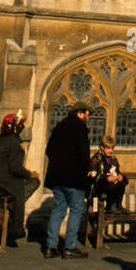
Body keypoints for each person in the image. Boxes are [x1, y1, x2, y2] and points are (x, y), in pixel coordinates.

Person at [43, 103, 91, 259]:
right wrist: (84, 170)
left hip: (57, 177)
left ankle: (51, 247)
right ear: (79, 113)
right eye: (87, 114)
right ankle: (69, 247)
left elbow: (49, 150)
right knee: (77, 210)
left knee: (58, 210)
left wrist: (59, 163)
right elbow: (83, 154)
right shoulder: (80, 128)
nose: (88, 117)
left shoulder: (59, 126)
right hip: (74, 178)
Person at [0, 111, 39, 248]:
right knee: (24, 189)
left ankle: (9, 216)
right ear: (16, 129)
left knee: (18, 192)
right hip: (5, 181)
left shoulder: (2, 139)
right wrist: (30, 174)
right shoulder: (14, 143)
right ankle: (16, 229)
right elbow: (15, 168)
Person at [87, 136, 128, 213]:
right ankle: (110, 205)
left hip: (111, 183)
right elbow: (93, 174)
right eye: (108, 148)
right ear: (102, 147)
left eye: (112, 148)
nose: (110, 151)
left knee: (122, 182)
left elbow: (117, 170)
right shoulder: (96, 158)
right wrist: (107, 178)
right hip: (99, 186)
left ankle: (118, 205)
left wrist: (119, 176)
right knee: (110, 184)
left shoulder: (113, 158)